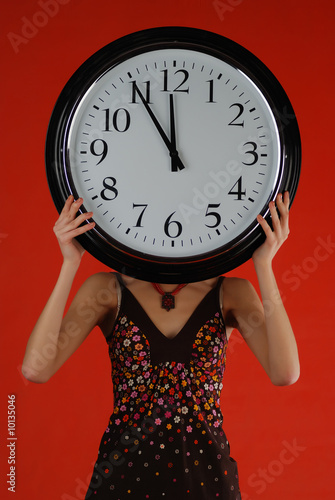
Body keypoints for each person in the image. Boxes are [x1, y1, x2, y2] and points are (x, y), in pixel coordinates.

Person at [22, 191, 300, 499]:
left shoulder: (231, 292)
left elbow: (284, 373)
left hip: (206, 479)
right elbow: (36, 368)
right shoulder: (107, 289)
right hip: (123, 479)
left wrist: (264, 264)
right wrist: (69, 263)